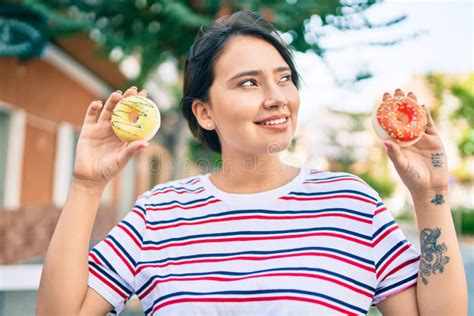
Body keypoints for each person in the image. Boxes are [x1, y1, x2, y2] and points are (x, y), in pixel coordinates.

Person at [37, 11, 467, 316]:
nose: (277, 96)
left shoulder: (351, 204)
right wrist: (86, 186)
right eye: (248, 82)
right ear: (204, 112)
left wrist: (431, 197)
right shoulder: (159, 213)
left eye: (284, 78)